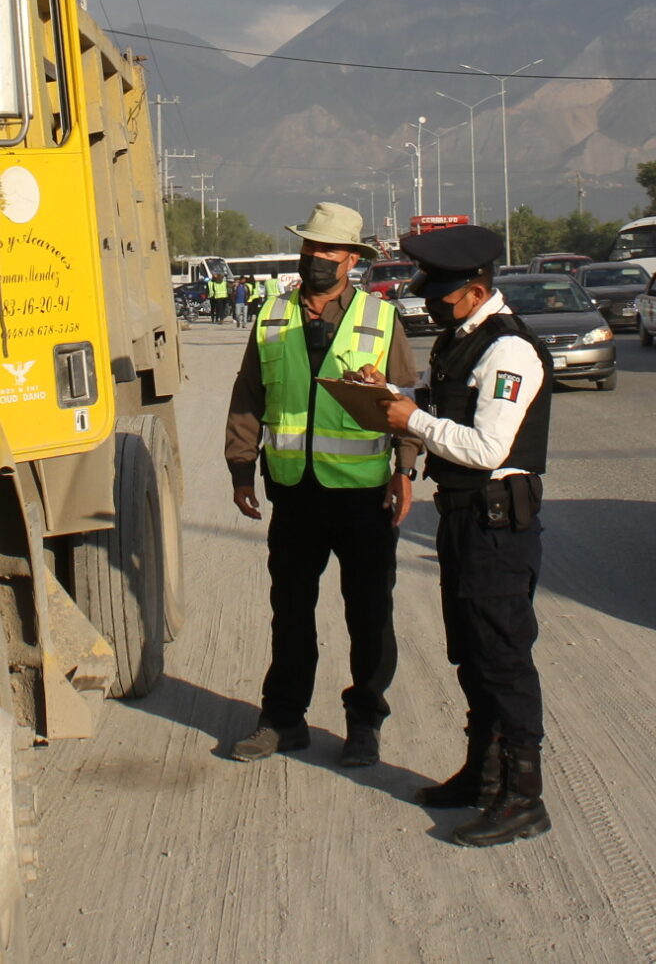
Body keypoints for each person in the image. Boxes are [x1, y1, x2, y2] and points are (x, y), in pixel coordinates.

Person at [368, 223, 555, 848]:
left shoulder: (509, 352)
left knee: (503, 658)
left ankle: (523, 796)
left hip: (497, 522)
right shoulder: (461, 340)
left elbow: (487, 446)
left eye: (441, 296)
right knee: (471, 652)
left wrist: (412, 419)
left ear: (475, 292)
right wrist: (391, 396)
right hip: (465, 519)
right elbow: (443, 406)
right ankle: (482, 774)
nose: (429, 304)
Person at [222, 202, 419, 769]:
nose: (315, 258)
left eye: (328, 250)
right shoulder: (272, 315)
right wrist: (241, 467)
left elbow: (406, 400)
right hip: (295, 492)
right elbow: (248, 397)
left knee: (368, 615)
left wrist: (404, 469)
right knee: (290, 610)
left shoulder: (380, 320)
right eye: (310, 247)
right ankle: (283, 720)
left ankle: (364, 724)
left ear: (352, 260)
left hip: (363, 496)